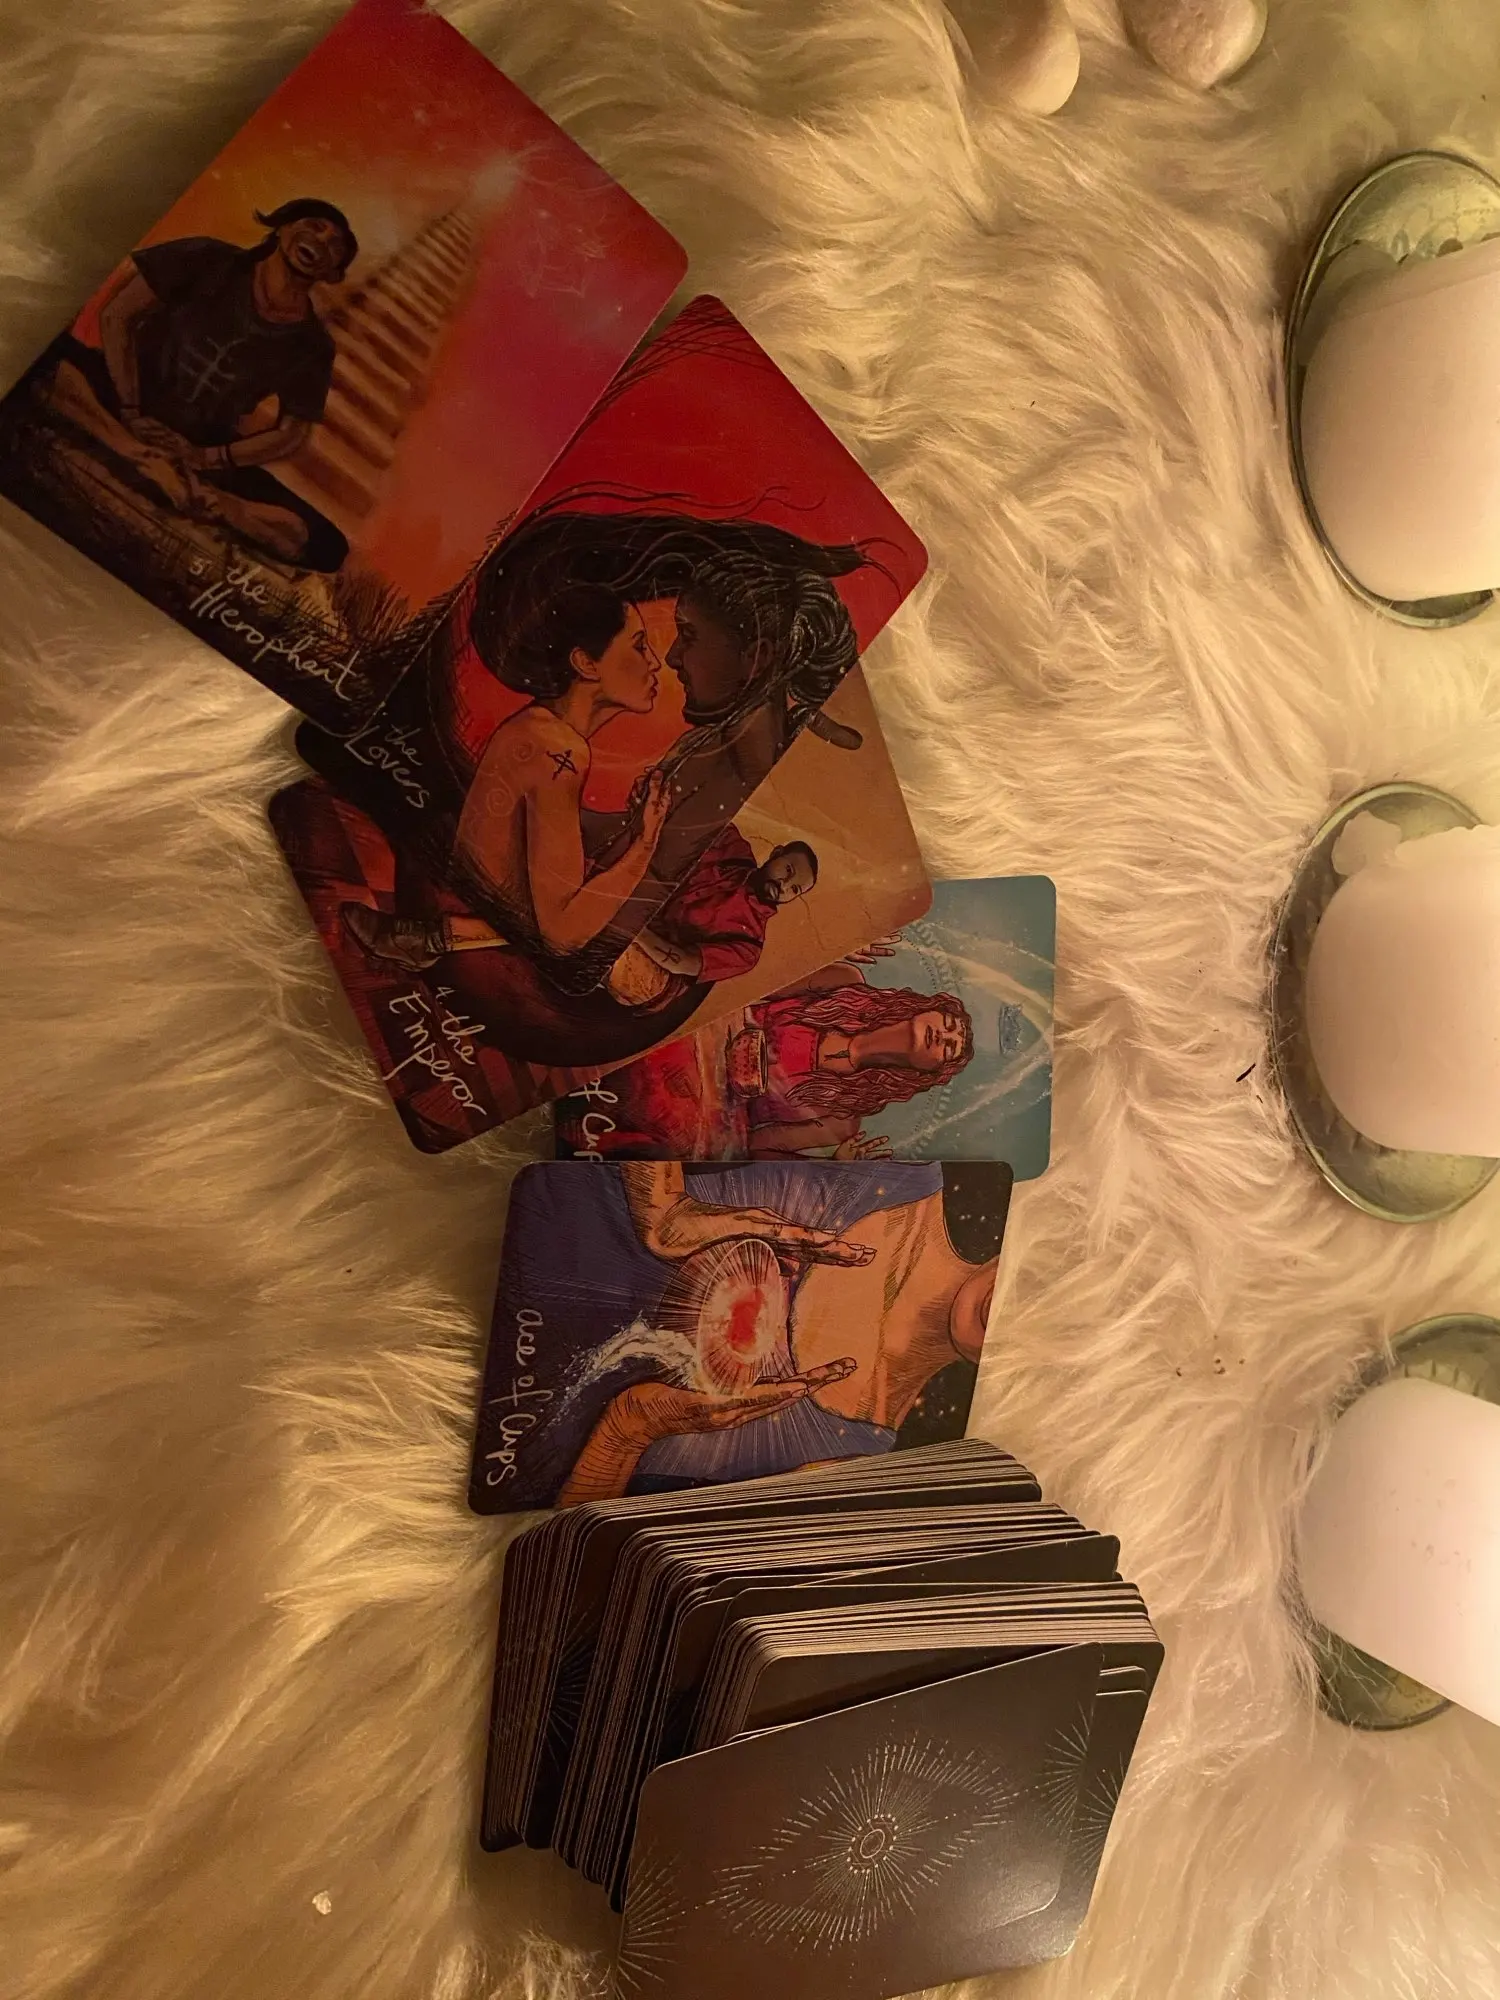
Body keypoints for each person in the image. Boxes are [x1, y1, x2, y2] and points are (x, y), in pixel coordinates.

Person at [515, 1161, 1001, 1505]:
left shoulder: (859, 1456)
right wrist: (664, 1209)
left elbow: (576, 1546)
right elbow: (657, 1096)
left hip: (510, 1416)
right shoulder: (905, 1177)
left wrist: (630, 1428)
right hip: (522, 1215)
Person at [342, 581, 671, 970]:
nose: (655, 662)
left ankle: (430, 936)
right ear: (585, 663)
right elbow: (561, 936)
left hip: (463, 905)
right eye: (639, 645)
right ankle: (428, 937)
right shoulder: (558, 749)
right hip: (463, 920)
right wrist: (645, 846)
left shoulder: (537, 728)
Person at [36, 198, 356, 569]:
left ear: (334, 273)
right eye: (314, 225)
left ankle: (210, 500)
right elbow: (118, 315)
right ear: (282, 225)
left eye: (336, 245)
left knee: (327, 545)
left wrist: (204, 458)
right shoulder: (208, 257)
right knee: (45, 355)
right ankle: (138, 455)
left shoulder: (313, 345)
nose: (322, 241)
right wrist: (131, 412)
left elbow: (290, 434)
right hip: (124, 394)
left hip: (204, 442)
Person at [738, 966, 974, 1158]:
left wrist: (832, 1165)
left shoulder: (843, 1119)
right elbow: (758, 980)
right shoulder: (846, 982)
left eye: (949, 1047)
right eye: (948, 1024)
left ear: (929, 1070)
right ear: (928, 1009)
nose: (943, 1035)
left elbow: (755, 1146)